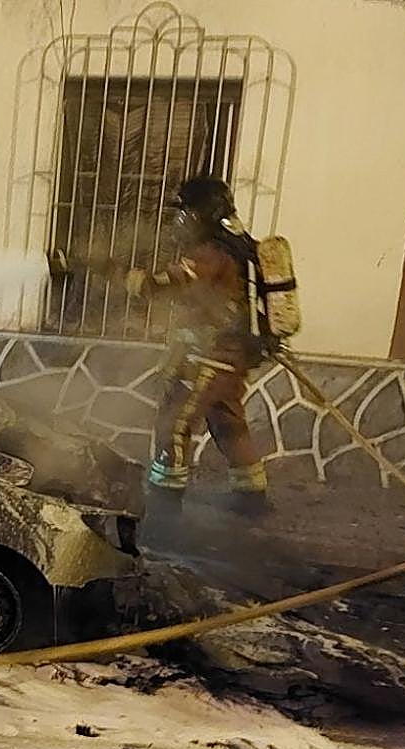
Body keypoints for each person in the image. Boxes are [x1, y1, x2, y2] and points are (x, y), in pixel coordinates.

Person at [126, 175, 270, 517]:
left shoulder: (212, 253)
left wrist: (140, 282)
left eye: (185, 211)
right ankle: (252, 498)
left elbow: (173, 281)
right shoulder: (242, 249)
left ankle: (165, 509)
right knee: (228, 425)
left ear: (201, 214)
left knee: (173, 425)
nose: (180, 219)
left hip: (208, 359)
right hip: (231, 360)